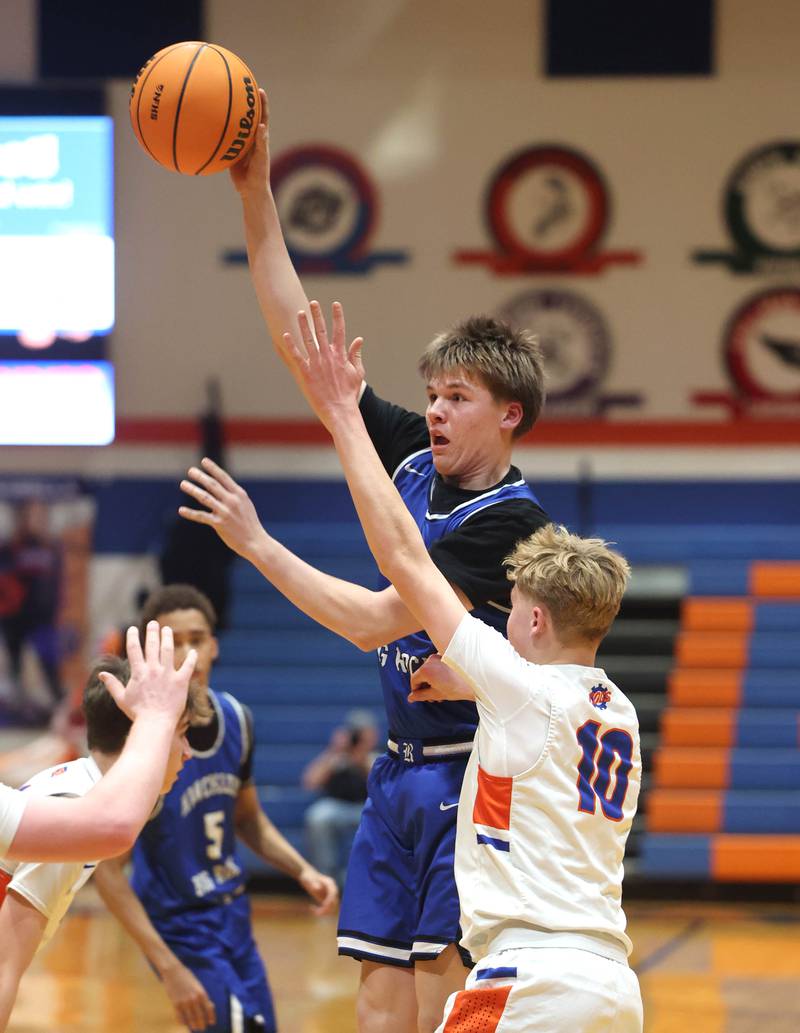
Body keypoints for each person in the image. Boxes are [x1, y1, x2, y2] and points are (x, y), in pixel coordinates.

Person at [179, 94, 550, 1033]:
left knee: (441, 998)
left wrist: (259, 544)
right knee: (377, 1000)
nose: (432, 410)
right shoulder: (417, 461)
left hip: (473, 774)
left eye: (456, 396)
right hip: (395, 773)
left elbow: (374, 620)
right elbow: (302, 345)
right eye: (430, 393)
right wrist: (255, 192)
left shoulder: (512, 521)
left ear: (508, 413)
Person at [284, 303, 643, 1031]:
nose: (499, 614)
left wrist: (269, 528)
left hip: (527, 972)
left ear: (535, 618)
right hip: (610, 970)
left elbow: (404, 571)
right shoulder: (617, 710)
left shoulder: (516, 691)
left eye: (509, 603)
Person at [93, 584, 338, 1033]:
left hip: (233, 914)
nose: (189, 654)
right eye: (175, 642)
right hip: (179, 925)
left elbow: (247, 818)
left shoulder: (238, 719)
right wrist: (168, 967)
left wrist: (302, 870)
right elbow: (106, 870)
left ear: (215, 644)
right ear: (153, 654)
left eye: (197, 639)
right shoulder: (141, 740)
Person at [0, 655, 202, 1032]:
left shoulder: (79, 782)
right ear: (141, 733)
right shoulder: (75, 805)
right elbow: (3, 966)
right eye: (181, 731)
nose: (188, 752)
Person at [0, 621, 195, 865]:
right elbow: (112, 825)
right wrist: (155, 716)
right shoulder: (75, 791)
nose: (188, 752)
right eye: (181, 733)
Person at [302, 709, 378, 890]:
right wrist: (333, 751)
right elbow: (310, 782)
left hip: (365, 807)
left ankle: (366, 880)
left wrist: (361, 756)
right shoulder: (335, 757)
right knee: (317, 817)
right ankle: (327, 879)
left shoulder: (374, 758)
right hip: (336, 807)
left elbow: (379, 787)